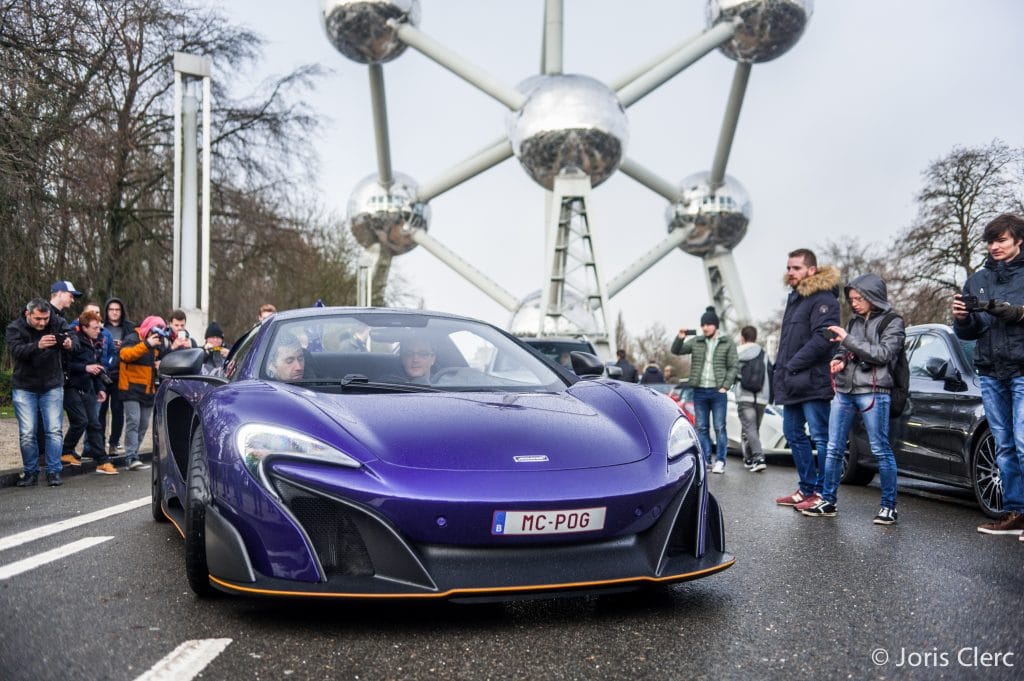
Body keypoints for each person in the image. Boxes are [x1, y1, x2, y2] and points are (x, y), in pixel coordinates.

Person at [800, 274, 904, 524]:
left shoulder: (893, 321)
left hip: (874, 390)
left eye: (859, 298)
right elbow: (846, 349)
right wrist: (838, 358)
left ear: (873, 296)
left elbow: (883, 354)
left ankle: (889, 506)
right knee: (834, 448)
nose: (854, 303)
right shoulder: (855, 321)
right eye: (852, 299)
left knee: (880, 449)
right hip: (845, 389)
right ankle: (828, 500)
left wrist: (847, 339)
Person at [952, 213, 1024, 537]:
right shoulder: (977, 280)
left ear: (1018, 240)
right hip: (992, 372)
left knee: (1023, 443)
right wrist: (962, 318)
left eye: (1001, 240)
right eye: (990, 241)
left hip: (1022, 369)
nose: (994, 246)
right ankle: (1015, 513)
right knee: (1004, 445)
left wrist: (1011, 312)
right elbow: (969, 333)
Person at [772, 248, 840, 506]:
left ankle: (823, 493)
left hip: (813, 380)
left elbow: (825, 337)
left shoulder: (824, 299)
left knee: (820, 437)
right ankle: (806, 489)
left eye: (796, 268)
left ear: (811, 270)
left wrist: (792, 364)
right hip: (792, 381)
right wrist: (784, 369)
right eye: (789, 268)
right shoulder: (795, 300)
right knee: (793, 434)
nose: (790, 272)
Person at [6, 298, 73, 487]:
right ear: (28, 314)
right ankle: (30, 472)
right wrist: (38, 345)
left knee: (54, 431)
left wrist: (68, 343)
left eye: (45, 318)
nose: (42, 323)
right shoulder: (15, 328)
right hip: (24, 386)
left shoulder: (57, 322)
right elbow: (16, 351)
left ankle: (54, 472)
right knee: (27, 433)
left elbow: (75, 342)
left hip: (52, 385)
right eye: (37, 319)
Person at [671, 306, 739, 473]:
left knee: (720, 427)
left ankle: (721, 461)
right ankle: (707, 460)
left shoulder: (727, 341)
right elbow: (676, 351)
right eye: (703, 325)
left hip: (718, 391)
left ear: (715, 325)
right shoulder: (697, 341)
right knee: (701, 427)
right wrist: (680, 337)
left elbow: (733, 366)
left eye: (708, 324)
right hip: (699, 391)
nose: (704, 327)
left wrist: (725, 386)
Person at [61, 309, 118, 475]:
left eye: (99, 328)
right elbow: (65, 365)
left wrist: (100, 388)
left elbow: (97, 367)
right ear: (84, 327)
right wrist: (85, 367)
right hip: (70, 387)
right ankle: (65, 451)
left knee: (95, 424)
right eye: (95, 328)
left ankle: (102, 461)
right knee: (80, 421)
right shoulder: (74, 340)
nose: (99, 331)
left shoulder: (97, 341)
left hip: (88, 387)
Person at [118, 316, 167, 471]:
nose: (157, 333)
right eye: (155, 328)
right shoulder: (133, 337)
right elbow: (125, 355)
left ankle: (135, 454)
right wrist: (147, 344)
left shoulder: (157, 344)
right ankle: (130, 457)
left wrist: (161, 363)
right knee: (134, 421)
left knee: (144, 424)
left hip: (147, 390)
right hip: (130, 388)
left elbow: (162, 359)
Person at [100, 296, 133, 455]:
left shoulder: (129, 327)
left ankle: (114, 443)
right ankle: (99, 443)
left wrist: (123, 345)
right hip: (103, 373)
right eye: (111, 310)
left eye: (117, 310)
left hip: (122, 374)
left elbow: (135, 346)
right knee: (100, 410)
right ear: (107, 311)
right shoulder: (101, 326)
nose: (114, 312)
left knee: (118, 410)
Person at [735, 325, 769, 473]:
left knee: (750, 428)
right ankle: (748, 458)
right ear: (755, 337)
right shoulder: (764, 353)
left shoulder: (738, 352)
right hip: (762, 397)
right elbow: (770, 374)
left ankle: (758, 458)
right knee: (752, 429)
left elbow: (733, 372)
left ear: (742, 337)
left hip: (744, 396)